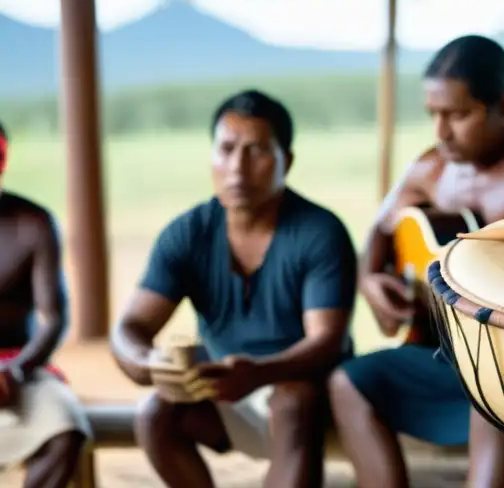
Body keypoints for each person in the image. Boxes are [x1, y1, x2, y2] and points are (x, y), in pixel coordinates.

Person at [329, 34, 504, 488]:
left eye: (457, 115)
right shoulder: (432, 168)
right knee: (349, 383)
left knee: (495, 384)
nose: (441, 132)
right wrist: (369, 281)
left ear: (503, 105)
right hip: (445, 358)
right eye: (434, 115)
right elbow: (380, 232)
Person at [110, 90, 357, 488]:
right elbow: (129, 327)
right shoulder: (187, 234)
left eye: (257, 150)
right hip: (227, 392)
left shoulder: (320, 232)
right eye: (226, 149)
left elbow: (327, 341)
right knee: (155, 412)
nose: (237, 167)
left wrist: (258, 373)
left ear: (286, 162)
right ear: (211, 156)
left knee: (294, 400)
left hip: (307, 402)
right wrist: (146, 363)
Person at [0, 119, 90, 488]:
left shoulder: (32, 223)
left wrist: (16, 371)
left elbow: (53, 318)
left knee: (66, 427)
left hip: (20, 366)